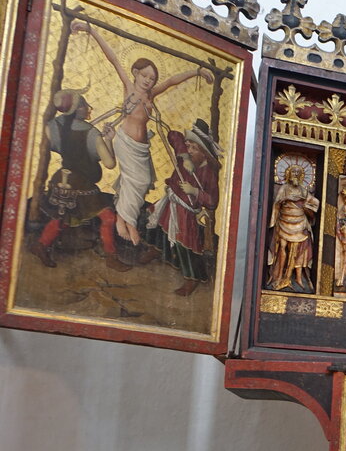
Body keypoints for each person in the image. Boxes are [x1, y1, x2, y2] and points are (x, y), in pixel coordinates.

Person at [70, 21, 213, 245]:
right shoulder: (129, 87)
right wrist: (91, 30)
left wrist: (197, 71)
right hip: (125, 142)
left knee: (142, 181)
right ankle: (126, 223)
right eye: (145, 76)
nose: (148, 81)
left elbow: (172, 81)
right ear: (136, 73)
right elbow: (113, 58)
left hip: (142, 147)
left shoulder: (151, 95)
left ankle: (124, 219)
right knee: (132, 181)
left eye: (152, 78)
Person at [32, 90, 125, 270]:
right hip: (81, 183)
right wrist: (108, 140)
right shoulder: (91, 133)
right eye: (84, 106)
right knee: (108, 218)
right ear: (77, 109)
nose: (88, 109)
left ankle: (41, 245)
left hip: (60, 178)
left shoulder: (54, 125)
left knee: (62, 216)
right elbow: (110, 164)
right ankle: (111, 257)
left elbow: (50, 143)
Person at [141, 120, 221, 296]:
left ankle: (192, 279)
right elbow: (173, 134)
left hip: (186, 212)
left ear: (205, 153)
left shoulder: (208, 172)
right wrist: (184, 157)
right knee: (154, 223)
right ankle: (156, 250)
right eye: (188, 146)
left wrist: (195, 191)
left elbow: (213, 201)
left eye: (194, 148)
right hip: (171, 202)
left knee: (185, 244)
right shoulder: (185, 157)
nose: (190, 150)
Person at [265, 164, 320, 292]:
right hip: (285, 220)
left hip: (299, 222)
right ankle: (278, 275)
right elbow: (277, 202)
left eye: (298, 172)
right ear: (289, 174)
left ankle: (288, 277)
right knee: (282, 247)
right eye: (293, 172)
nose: (295, 174)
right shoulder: (284, 188)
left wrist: (308, 206)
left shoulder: (303, 190)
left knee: (294, 251)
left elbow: (314, 202)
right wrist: (286, 199)